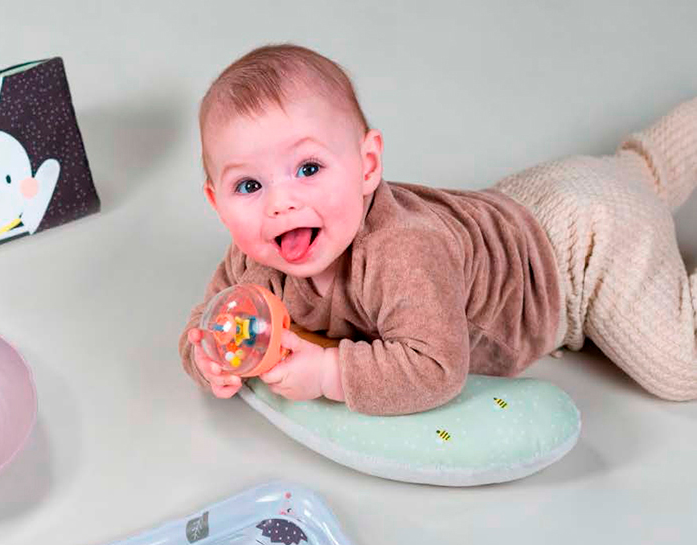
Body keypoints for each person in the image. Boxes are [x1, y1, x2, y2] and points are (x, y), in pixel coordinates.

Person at [179, 44, 697, 414]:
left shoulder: (402, 251)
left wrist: (330, 374)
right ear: (217, 202)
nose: (281, 204)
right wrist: (207, 359)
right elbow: (206, 322)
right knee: (644, 169)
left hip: (580, 252)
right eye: (249, 185)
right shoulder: (253, 260)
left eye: (308, 168)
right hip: (524, 205)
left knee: (677, 366)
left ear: (366, 165)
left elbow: (437, 368)